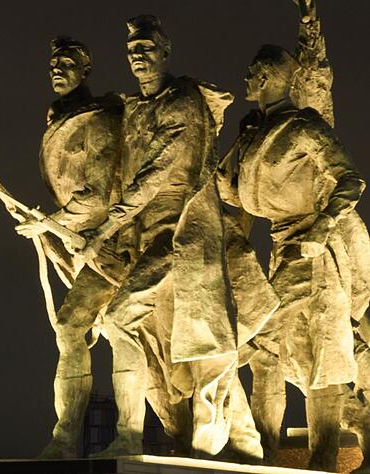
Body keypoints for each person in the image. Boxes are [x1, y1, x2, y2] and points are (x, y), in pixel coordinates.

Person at [84, 15, 265, 460]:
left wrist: (103, 230)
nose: (138, 56)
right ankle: (248, 441)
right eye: (132, 50)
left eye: (146, 47)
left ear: (165, 52)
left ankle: (129, 436)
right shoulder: (136, 109)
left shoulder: (181, 101)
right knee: (197, 350)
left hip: (179, 236)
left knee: (122, 318)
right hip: (143, 237)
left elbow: (152, 176)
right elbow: (119, 177)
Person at [217, 1, 370, 469]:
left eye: (251, 72)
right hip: (282, 250)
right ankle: (262, 451)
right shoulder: (254, 134)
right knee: (270, 351)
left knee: (310, 351)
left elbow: (351, 180)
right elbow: (232, 192)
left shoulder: (306, 124)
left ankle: (320, 457)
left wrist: (323, 225)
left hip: (319, 250)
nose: (245, 78)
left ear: (267, 76)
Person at [15, 36, 126, 458]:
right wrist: (49, 224)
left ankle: (127, 434)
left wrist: (49, 222)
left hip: (114, 246)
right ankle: (65, 439)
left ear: (85, 71)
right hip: (83, 249)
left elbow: (98, 197)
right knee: (71, 327)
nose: (56, 71)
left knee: (115, 329)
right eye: (53, 65)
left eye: (66, 64)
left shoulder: (97, 120)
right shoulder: (59, 120)